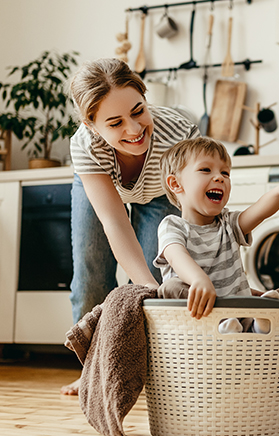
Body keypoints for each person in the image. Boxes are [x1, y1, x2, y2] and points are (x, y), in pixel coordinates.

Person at [61, 58, 199, 395]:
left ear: (145, 97)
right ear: (92, 126)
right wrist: (146, 287)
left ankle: (151, 373)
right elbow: (113, 221)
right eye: (115, 123)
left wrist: (157, 287)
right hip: (103, 185)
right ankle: (94, 371)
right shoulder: (85, 145)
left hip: (161, 193)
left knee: (158, 276)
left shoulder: (180, 134)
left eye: (139, 111)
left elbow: (195, 209)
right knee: (91, 273)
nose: (134, 130)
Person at [153, 137, 279, 333]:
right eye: (206, 170)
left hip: (241, 310)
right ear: (175, 184)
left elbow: (259, 211)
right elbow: (176, 256)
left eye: (225, 172)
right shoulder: (172, 225)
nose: (220, 178)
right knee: (170, 289)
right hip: (200, 316)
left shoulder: (228, 223)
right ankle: (225, 326)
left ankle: (258, 325)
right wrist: (199, 280)